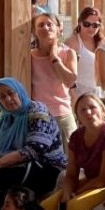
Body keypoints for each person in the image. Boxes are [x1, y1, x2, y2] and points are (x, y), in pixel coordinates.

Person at [0, 79, 68, 210]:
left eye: (11, 93)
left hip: (46, 167)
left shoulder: (37, 110)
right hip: (12, 167)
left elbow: (34, 149)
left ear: (19, 92)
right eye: (2, 97)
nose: (8, 99)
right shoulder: (1, 119)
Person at [30, 11, 79, 147]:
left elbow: (70, 81)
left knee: (69, 158)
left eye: (49, 24)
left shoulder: (68, 53)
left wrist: (54, 58)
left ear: (59, 28)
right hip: (39, 115)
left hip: (63, 114)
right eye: (40, 25)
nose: (45, 28)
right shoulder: (29, 56)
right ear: (34, 30)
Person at [66, 6, 104, 98]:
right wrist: (75, 99)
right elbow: (67, 75)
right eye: (87, 24)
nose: (91, 28)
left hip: (98, 94)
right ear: (80, 23)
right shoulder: (73, 42)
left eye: (95, 25)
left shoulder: (102, 42)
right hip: (77, 93)